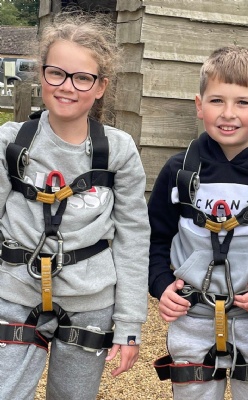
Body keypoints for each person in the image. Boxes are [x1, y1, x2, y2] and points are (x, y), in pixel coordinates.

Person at [0, 12, 150, 400]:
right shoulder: (11, 143)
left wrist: (129, 323)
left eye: (82, 78)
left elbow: (133, 238)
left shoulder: (118, 151)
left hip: (89, 302)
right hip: (14, 293)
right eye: (57, 73)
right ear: (42, 74)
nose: (67, 86)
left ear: (100, 86)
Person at [148, 46, 248, 400]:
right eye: (216, 101)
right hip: (192, 319)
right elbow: (154, 238)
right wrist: (161, 284)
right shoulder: (179, 172)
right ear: (199, 105)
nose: (228, 113)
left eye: (242, 102)